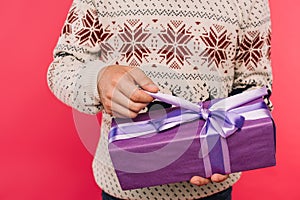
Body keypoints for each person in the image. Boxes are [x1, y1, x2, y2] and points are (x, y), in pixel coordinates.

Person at [47, 0, 273, 199]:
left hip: (213, 190)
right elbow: (62, 67)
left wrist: (234, 148)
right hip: (122, 189)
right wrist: (98, 80)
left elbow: (255, 86)